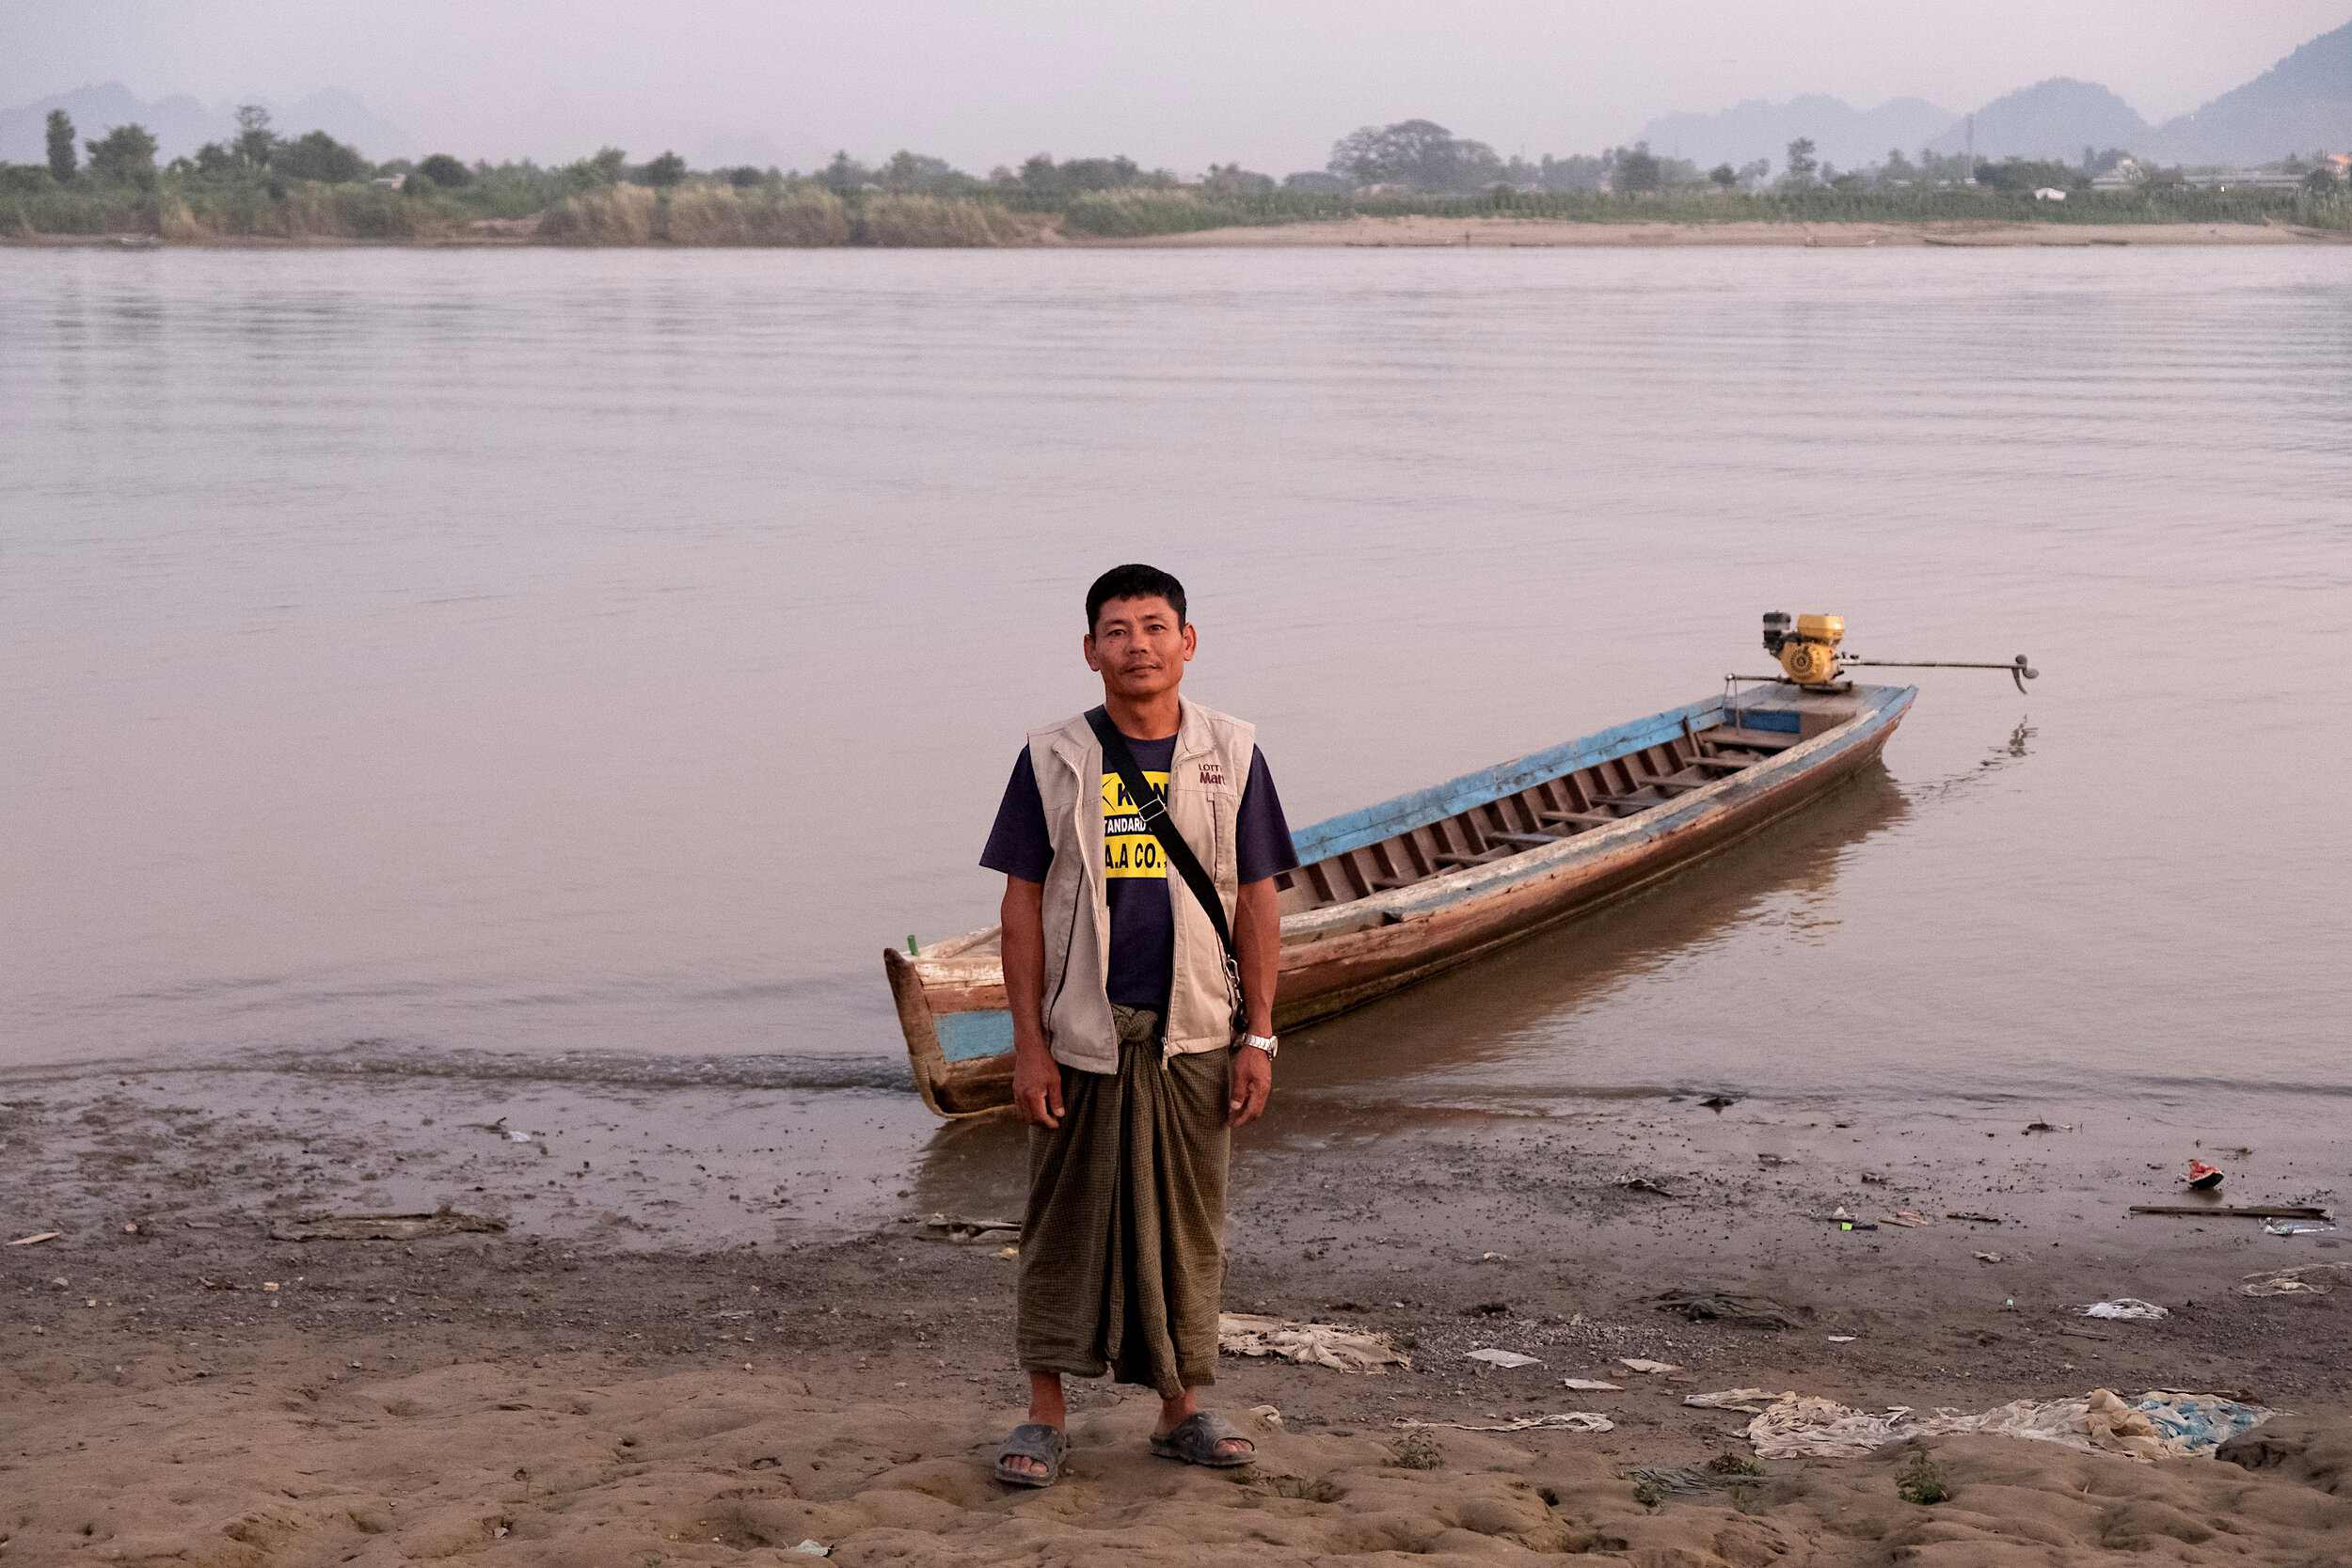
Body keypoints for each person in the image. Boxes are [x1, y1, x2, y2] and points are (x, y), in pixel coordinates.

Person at [977, 563, 1298, 1487]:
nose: (1137, 645)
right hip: (1081, 1033)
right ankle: (1044, 1412)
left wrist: (1261, 1034)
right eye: (1115, 631)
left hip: (1194, 1029)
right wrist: (1028, 1043)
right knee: (1063, 1219)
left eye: (1154, 626)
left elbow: (1258, 901)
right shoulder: (1052, 756)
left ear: (1187, 642)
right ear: (1090, 652)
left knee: (1187, 1223)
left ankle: (1181, 1408)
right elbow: (1022, 904)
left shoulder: (1230, 750)